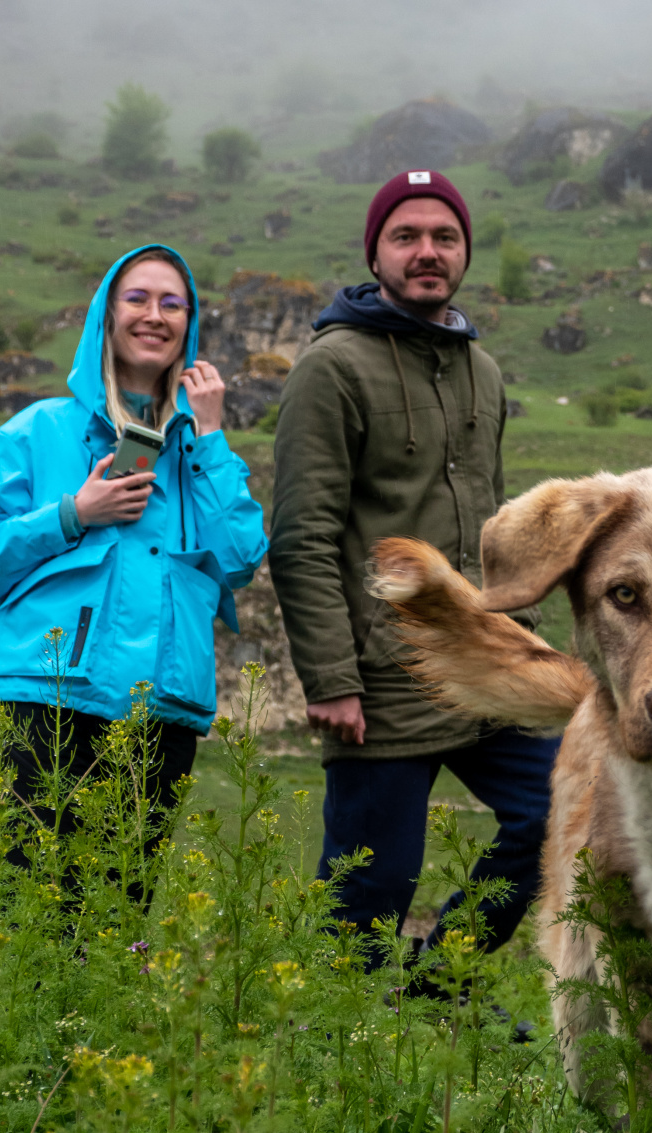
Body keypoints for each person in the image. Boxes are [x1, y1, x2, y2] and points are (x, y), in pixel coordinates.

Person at [269, 170, 558, 968]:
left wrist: (520, 638)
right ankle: (331, 1047)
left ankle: (440, 982)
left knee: (566, 807)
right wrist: (330, 677)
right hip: (384, 673)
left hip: (488, 657)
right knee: (370, 887)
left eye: (444, 237)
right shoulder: (331, 368)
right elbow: (302, 534)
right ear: (376, 252)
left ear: (463, 252)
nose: (426, 252)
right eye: (407, 237)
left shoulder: (482, 372)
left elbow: (487, 525)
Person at [0, 244, 267, 873]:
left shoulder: (202, 451)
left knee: (117, 928)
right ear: (107, 316)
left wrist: (213, 436)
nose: (155, 314)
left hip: (159, 717)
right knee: (25, 918)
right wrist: (72, 515)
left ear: (188, 325)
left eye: (174, 304)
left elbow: (241, 560)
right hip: (44, 702)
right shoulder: (39, 431)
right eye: (137, 298)